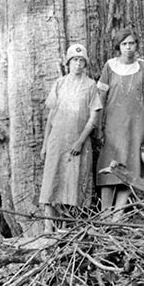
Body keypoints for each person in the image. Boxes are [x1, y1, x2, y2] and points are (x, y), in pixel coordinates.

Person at [39, 43, 102, 231]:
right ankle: (48, 228)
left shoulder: (91, 86)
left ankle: (71, 228)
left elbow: (94, 118)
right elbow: (51, 116)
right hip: (57, 141)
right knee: (51, 182)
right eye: (74, 60)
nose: (78, 64)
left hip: (79, 143)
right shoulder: (60, 83)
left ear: (85, 64)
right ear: (68, 62)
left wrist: (80, 141)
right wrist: (45, 145)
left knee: (75, 184)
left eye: (81, 60)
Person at [95, 28, 144, 213]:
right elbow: (100, 98)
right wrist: (99, 126)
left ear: (136, 45)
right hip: (113, 126)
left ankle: (118, 214)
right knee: (109, 167)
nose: (128, 48)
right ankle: (105, 213)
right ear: (118, 47)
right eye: (124, 44)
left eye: (132, 43)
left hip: (136, 127)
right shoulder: (110, 66)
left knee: (131, 168)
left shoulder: (143, 66)